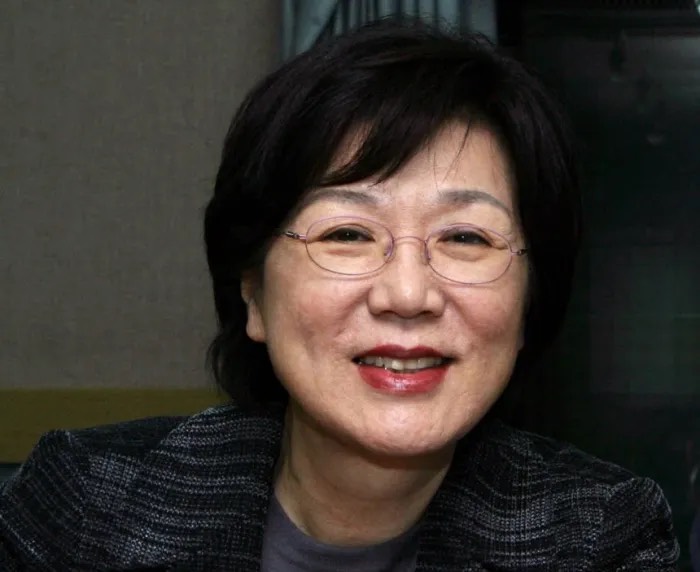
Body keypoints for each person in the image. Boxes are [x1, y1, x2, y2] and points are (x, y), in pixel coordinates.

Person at [0, 18, 679, 571]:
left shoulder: (599, 539)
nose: (408, 293)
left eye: (465, 237)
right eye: (348, 233)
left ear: (530, 301)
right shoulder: (83, 508)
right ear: (253, 292)